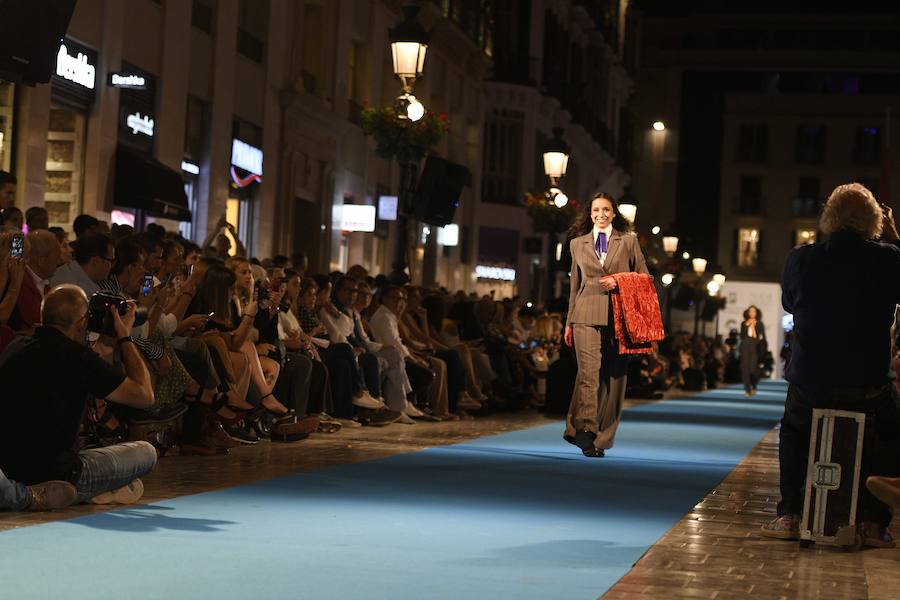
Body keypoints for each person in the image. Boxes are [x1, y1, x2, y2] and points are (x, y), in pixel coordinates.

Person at [761, 183, 900, 547]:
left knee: (792, 430)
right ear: (875, 222)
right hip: (867, 385)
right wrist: (895, 236)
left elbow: (791, 304)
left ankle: (790, 513)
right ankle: (873, 522)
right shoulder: (888, 259)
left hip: (811, 382)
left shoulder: (801, 258)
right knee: (890, 431)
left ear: (829, 218)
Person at [0, 285, 157, 505]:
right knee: (146, 452)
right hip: (60, 474)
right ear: (83, 322)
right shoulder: (78, 358)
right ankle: (89, 490)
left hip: (9, 470)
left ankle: (105, 489)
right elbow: (144, 395)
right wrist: (125, 337)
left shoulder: (14, 347)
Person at [562, 192, 648, 457]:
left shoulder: (629, 242)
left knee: (615, 378)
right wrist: (568, 323)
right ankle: (586, 433)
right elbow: (574, 285)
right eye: (596, 210)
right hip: (585, 315)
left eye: (606, 210)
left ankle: (602, 438)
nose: (601, 214)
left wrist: (620, 281)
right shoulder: (577, 244)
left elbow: (645, 277)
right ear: (590, 214)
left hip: (620, 317)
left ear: (614, 213)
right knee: (589, 374)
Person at [739, 305, 766, 397]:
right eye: (750, 311)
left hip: (755, 345)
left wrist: (763, 350)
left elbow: (762, 337)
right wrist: (747, 325)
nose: (752, 313)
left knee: (753, 369)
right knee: (745, 369)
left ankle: (754, 385)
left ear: (756, 313)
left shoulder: (759, 323)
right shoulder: (744, 323)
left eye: (754, 311)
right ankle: (747, 390)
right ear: (747, 313)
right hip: (745, 345)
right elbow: (741, 336)